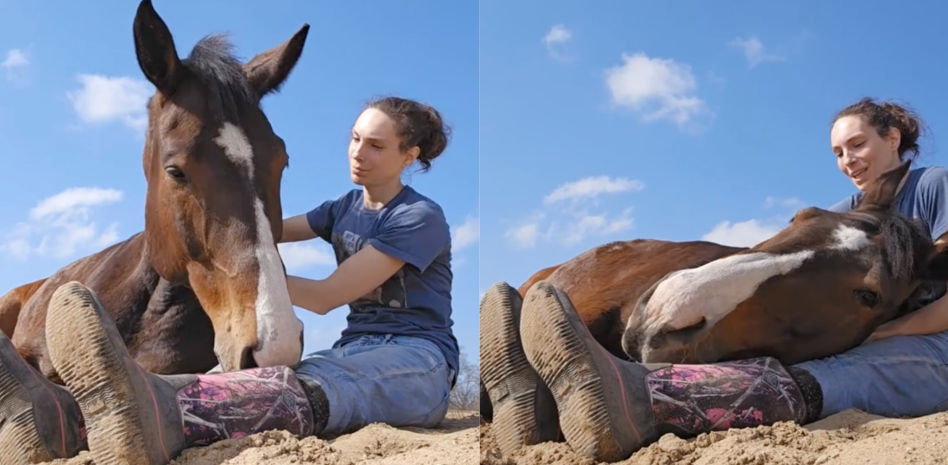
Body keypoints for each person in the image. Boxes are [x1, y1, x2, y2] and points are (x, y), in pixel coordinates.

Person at [481, 98, 948, 462]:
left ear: (892, 137)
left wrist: (883, 332)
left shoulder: (933, 185)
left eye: (858, 144)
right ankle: (543, 396)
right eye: (838, 152)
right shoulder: (848, 213)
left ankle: (650, 400)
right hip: (878, 325)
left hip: (931, 338)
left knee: (851, 370)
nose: (848, 160)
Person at [0, 96, 459, 465]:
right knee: (261, 380)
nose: (359, 153)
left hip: (417, 358)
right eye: (356, 138)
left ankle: (146, 420)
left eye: (377, 146)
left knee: (316, 390)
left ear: (409, 156)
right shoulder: (342, 208)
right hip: (348, 351)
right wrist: (205, 229)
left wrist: (237, 272)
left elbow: (325, 297)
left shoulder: (419, 218)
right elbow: (260, 230)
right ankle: (61, 417)